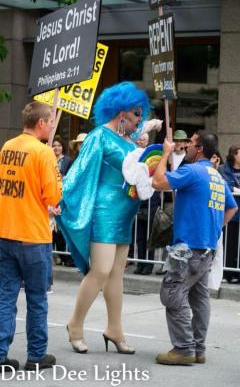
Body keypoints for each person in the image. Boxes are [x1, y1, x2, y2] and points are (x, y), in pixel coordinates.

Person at [57, 82, 150, 355]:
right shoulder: (99, 136)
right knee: (100, 270)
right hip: (103, 211)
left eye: (140, 114)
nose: (138, 119)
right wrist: (61, 198)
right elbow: (79, 172)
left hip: (124, 213)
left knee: (117, 274)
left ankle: (115, 329)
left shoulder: (129, 141)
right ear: (121, 112)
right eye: (135, 113)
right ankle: (75, 325)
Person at [152, 130, 237, 365]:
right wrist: (214, 228)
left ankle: (184, 348)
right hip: (206, 248)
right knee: (199, 299)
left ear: (199, 149)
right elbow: (232, 207)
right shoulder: (216, 176)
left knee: (172, 294)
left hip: (188, 249)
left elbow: (157, 182)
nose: (186, 145)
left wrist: (164, 154)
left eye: (190, 142)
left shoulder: (192, 170)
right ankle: (198, 349)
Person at [0, 101, 62, 372]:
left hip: (5, 232)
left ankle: (1, 353)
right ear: (40, 123)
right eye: (50, 121)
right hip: (33, 236)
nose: (51, 125)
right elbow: (53, 196)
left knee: (5, 296)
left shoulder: (7, 147)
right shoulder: (43, 153)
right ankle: (36, 355)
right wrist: (57, 176)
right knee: (37, 297)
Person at [218, 144, 240, 282]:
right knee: (229, 244)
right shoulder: (223, 169)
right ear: (234, 155)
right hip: (231, 212)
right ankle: (227, 272)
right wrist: (235, 189)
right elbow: (223, 185)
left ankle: (238, 273)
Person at [52, 136, 73, 267]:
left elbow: (71, 177)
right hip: (50, 197)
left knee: (61, 228)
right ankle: (54, 255)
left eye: (59, 145)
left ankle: (63, 255)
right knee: (51, 228)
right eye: (54, 145)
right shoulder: (47, 158)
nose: (56, 148)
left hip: (63, 198)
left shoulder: (68, 161)